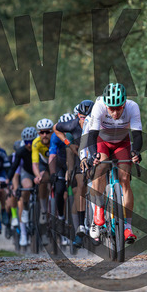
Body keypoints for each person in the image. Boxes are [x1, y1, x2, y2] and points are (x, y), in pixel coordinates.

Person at [86, 83, 142, 243]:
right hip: (102, 141)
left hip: (122, 143)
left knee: (125, 180)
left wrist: (136, 152)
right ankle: (98, 209)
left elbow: (137, 136)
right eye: (111, 109)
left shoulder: (132, 107)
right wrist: (93, 155)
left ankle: (127, 227)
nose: (115, 113)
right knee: (101, 167)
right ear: (106, 105)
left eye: (119, 108)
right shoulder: (98, 106)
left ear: (124, 104)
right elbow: (92, 135)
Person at [54, 100, 94, 248]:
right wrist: (68, 144)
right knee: (80, 186)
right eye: (82, 117)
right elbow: (56, 129)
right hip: (79, 158)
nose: (85, 120)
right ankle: (80, 227)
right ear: (78, 116)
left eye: (88, 117)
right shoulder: (73, 125)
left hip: (95, 156)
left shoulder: (98, 123)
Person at [8, 126, 38, 247]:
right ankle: (23, 233)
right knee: (25, 190)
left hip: (38, 172)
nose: (29, 145)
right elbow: (15, 171)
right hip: (26, 174)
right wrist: (13, 185)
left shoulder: (39, 147)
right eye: (26, 142)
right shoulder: (20, 152)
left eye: (31, 142)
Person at [49, 113, 76, 247]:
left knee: (77, 189)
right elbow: (52, 155)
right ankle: (61, 217)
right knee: (59, 191)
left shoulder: (77, 132)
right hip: (60, 164)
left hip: (74, 162)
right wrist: (52, 173)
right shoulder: (55, 136)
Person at [32, 118, 54, 229]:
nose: (45, 135)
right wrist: (37, 176)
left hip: (55, 162)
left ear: (52, 132)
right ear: (38, 133)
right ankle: (43, 210)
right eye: (42, 132)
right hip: (43, 163)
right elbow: (35, 164)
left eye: (47, 132)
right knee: (42, 179)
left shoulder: (55, 139)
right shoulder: (36, 143)